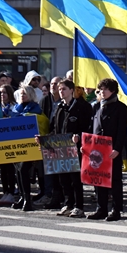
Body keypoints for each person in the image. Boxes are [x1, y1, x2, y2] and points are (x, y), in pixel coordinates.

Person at [84, 79, 127, 221]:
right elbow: (91, 128)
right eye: (100, 90)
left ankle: (116, 210)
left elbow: (122, 131)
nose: (102, 92)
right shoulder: (96, 106)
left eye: (105, 89)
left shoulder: (121, 107)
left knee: (115, 180)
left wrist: (117, 149)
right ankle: (101, 208)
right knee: (98, 179)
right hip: (97, 149)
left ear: (113, 91)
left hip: (112, 149)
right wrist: (86, 144)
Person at [48, 80, 93, 218]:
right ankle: (68, 203)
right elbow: (55, 128)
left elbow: (87, 127)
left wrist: (79, 137)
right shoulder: (59, 107)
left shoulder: (81, 107)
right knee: (63, 178)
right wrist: (46, 140)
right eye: (60, 89)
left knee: (75, 178)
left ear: (72, 90)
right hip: (61, 147)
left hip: (75, 148)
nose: (61, 91)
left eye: (64, 89)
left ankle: (79, 206)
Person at [11, 85, 49, 211]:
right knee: (17, 170)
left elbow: (42, 123)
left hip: (30, 146)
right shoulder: (16, 109)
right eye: (21, 93)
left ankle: (27, 199)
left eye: (25, 94)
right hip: (17, 144)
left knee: (23, 170)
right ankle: (22, 196)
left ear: (31, 95)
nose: (22, 96)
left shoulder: (35, 109)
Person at [0, 84, 17, 202]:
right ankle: (5, 192)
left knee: (10, 169)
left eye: (4, 92)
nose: (2, 95)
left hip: (11, 141)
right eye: (0, 92)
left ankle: (11, 191)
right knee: (3, 169)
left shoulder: (14, 107)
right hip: (0, 141)